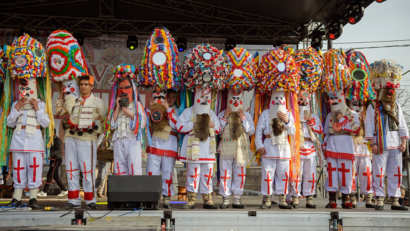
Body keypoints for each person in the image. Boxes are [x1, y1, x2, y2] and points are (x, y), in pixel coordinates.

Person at [5, 34, 53, 210]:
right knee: (18, 168)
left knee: (34, 168)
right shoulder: (15, 104)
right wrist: (17, 106)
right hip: (18, 139)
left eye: (28, 87)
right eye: (22, 88)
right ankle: (17, 197)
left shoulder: (40, 103)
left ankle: (33, 197)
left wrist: (37, 107)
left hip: (34, 140)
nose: (25, 91)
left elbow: (46, 123)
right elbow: (9, 123)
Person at [177, 44, 226, 209]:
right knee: (193, 174)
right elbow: (179, 126)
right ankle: (191, 199)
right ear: (196, 93)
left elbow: (219, 129)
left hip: (208, 149)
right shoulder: (188, 111)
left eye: (207, 94)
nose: (204, 96)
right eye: (201, 93)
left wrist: (212, 124)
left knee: (207, 175)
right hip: (194, 149)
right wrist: (193, 124)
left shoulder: (211, 112)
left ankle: (207, 199)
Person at [139, 28, 181, 209]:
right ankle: (150, 197)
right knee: (152, 171)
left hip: (170, 144)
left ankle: (166, 198)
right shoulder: (153, 105)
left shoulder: (178, 110)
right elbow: (146, 123)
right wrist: (153, 109)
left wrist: (168, 111)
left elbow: (179, 126)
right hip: (156, 143)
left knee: (167, 172)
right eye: (166, 96)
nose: (168, 99)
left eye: (171, 96)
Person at [255, 48, 299, 210]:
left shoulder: (287, 113)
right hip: (268, 148)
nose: (278, 100)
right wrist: (259, 146)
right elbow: (259, 131)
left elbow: (293, 131)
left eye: (281, 98)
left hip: (283, 149)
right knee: (268, 174)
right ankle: (267, 199)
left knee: (283, 174)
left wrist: (287, 121)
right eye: (276, 97)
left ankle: (282, 199)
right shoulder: (265, 113)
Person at [365, 59, 409, 210]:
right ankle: (379, 199)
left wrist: (404, 142)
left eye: (392, 90)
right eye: (387, 90)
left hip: (395, 144)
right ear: (380, 90)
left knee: (395, 172)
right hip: (380, 143)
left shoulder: (396, 106)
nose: (390, 93)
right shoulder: (373, 106)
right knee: (379, 171)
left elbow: (402, 124)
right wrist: (373, 143)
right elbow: (369, 125)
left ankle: (395, 200)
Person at [60, 75, 107, 209]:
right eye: (81, 84)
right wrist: (60, 99)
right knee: (71, 169)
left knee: (88, 170)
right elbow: (59, 112)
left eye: (86, 84)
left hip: (87, 139)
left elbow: (105, 119)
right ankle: (73, 200)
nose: (83, 87)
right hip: (70, 137)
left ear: (92, 86)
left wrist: (102, 137)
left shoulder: (97, 101)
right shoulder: (72, 99)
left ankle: (90, 200)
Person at [218, 47, 256, 209]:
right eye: (232, 96)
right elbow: (217, 131)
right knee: (225, 174)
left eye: (237, 96)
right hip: (226, 149)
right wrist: (224, 117)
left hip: (240, 148)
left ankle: (237, 199)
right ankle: (226, 199)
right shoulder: (222, 113)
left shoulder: (245, 114)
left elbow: (251, 131)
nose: (234, 98)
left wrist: (243, 119)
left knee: (240, 174)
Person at [321, 49, 360, 209]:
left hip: (346, 144)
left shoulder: (351, 114)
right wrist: (323, 145)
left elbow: (356, 130)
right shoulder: (329, 115)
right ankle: (331, 200)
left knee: (346, 172)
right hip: (332, 145)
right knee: (332, 172)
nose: (335, 101)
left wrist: (342, 119)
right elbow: (325, 132)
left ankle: (346, 199)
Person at [289, 47, 324, 209]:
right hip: (296, 146)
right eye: (300, 100)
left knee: (310, 173)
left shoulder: (313, 114)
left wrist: (310, 120)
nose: (303, 103)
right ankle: (295, 197)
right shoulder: (292, 113)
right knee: (297, 172)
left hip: (310, 146)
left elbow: (319, 129)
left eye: (305, 100)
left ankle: (309, 197)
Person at [344, 50, 376, 208]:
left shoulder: (367, 107)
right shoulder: (347, 108)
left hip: (364, 146)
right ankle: (351, 198)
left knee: (366, 172)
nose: (357, 104)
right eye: (354, 102)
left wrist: (365, 119)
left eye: (359, 102)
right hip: (351, 145)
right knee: (352, 173)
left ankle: (368, 197)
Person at [106, 64, 146, 177]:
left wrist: (131, 115)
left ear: (132, 88)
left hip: (132, 140)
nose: (124, 91)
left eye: (127, 88)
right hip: (118, 140)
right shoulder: (115, 106)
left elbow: (142, 124)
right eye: (121, 88)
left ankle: (134, 194)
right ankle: (121, 194)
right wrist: (117, 106)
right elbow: (112, 125)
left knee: (134, 169)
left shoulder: (137, 105)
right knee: (119, 168)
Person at [38, 129, 68, 197]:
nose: (49, 136)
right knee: (55, 176)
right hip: (53, 159)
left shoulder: (57, 140)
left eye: (50, 134)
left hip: (56, 160)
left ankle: (44, 191)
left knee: (50, 174)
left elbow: (59, 151)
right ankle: (64, 190)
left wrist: (50, 154)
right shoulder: (51, 141)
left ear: (54, 134)